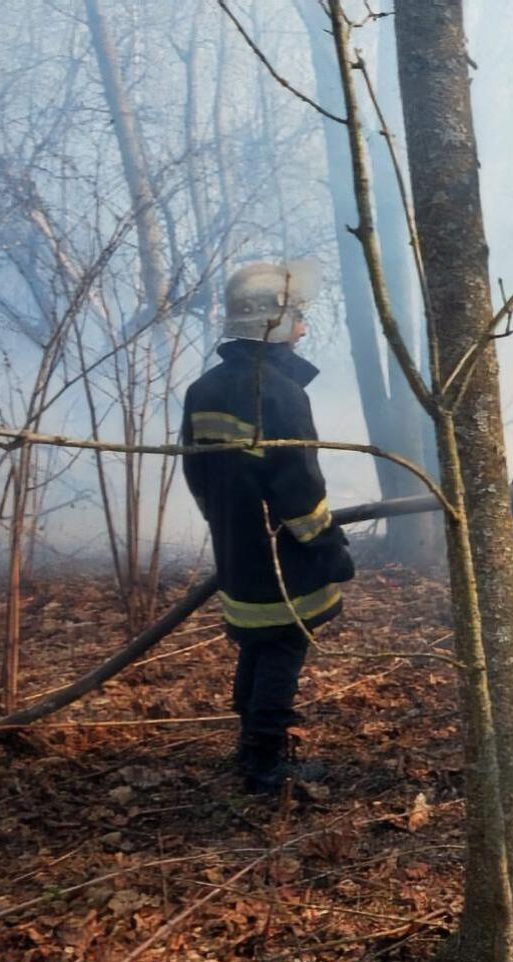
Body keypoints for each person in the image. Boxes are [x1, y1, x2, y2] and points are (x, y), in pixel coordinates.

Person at [181, 260, 354, 795]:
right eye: (297, 316)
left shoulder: (203, 389)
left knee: (258, 646)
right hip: (284, 556)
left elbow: (196, 472)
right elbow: (299, 487)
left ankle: (251, 748)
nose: (302, 327)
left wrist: (226, 525)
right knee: (282, 647)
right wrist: (328, 547)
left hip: (238, 545)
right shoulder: (278, 394)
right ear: (273, 324)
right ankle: (265, 767)